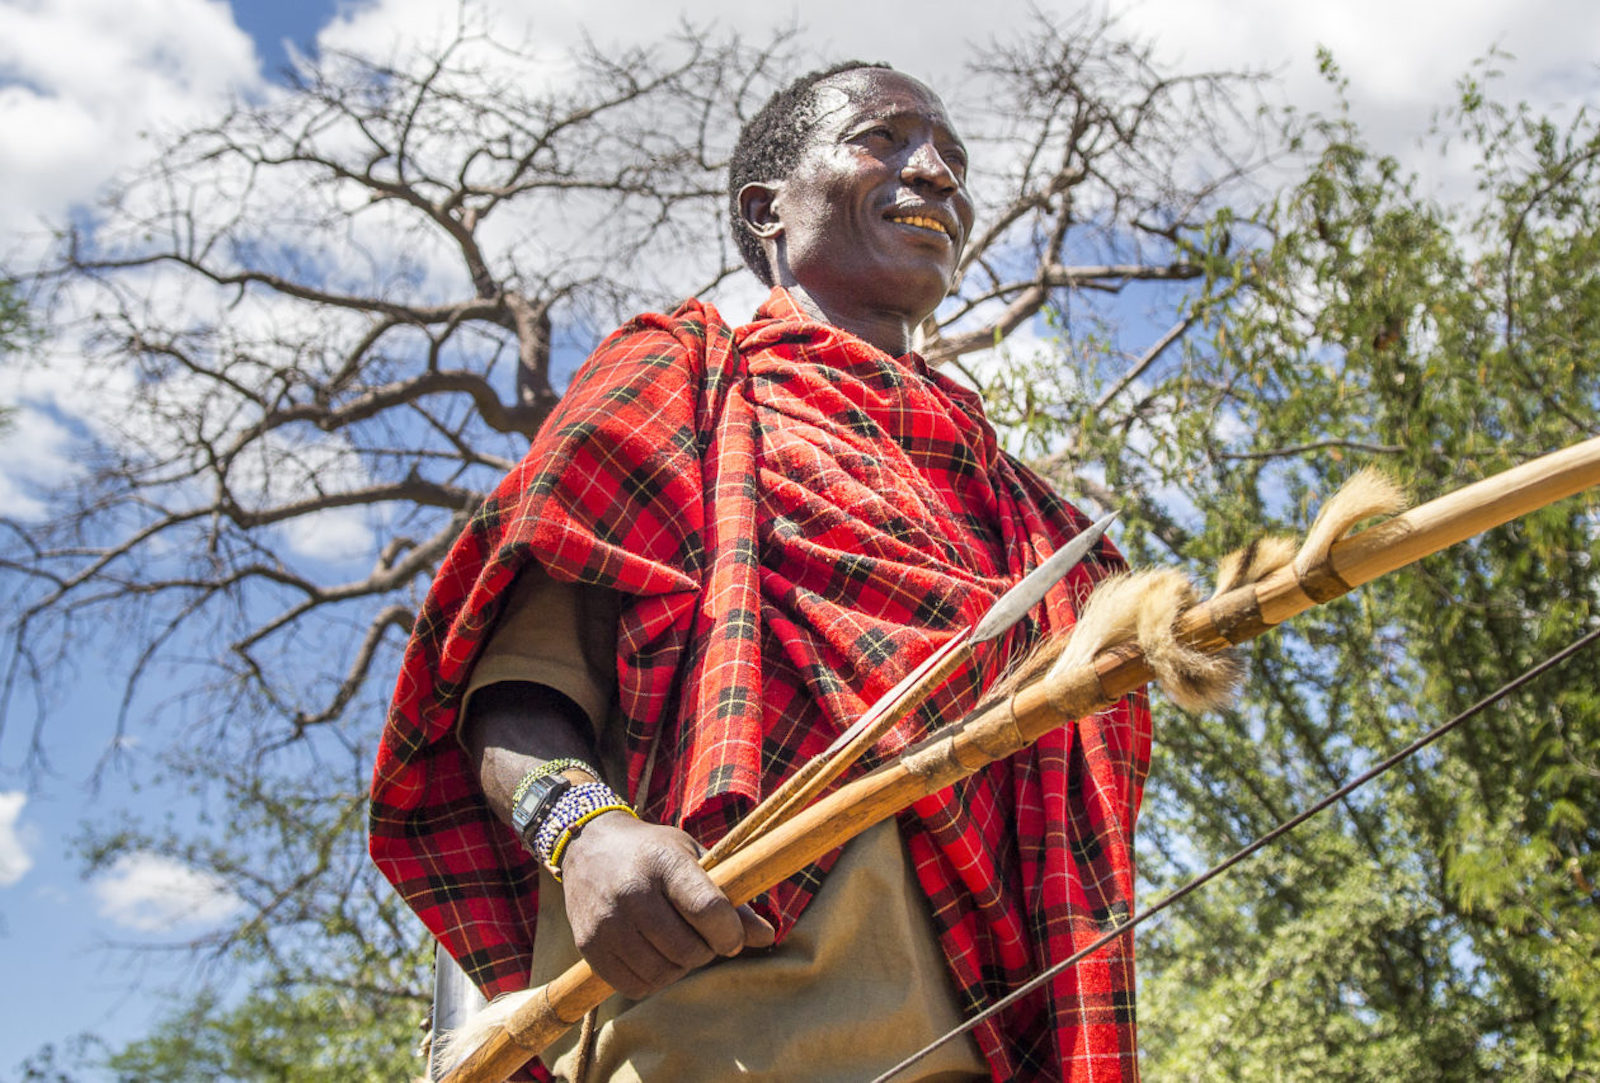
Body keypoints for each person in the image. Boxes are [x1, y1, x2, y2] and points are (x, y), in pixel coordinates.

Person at [370, 61, 1150, 1082]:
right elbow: (515, 695)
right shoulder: (686, 388)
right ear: (766, 208)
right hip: (704, 1045)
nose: (936, 175)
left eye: (954, 161)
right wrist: (588, 836)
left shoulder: (1034, 527)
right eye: (884, 139)